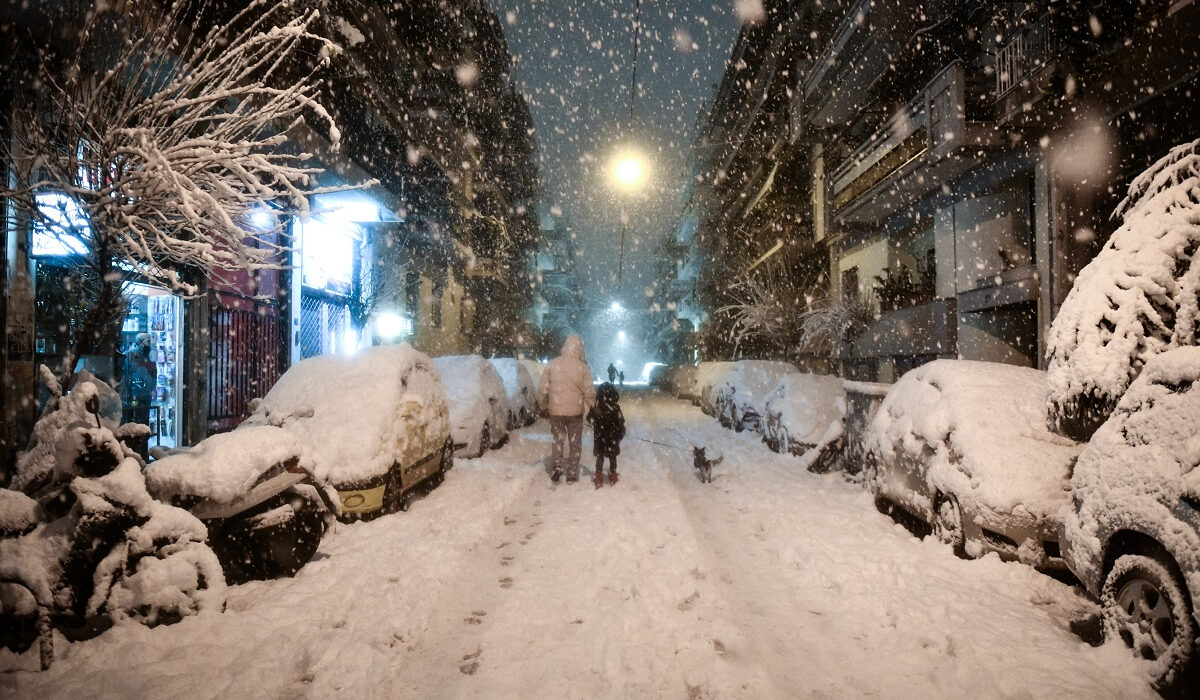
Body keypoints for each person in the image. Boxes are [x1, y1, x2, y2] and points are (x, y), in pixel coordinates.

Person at [539, 335, 596, 483]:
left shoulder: (552, 365)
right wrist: (593, 407)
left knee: (558, 439)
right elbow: (589, 391)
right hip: (575, 412)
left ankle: (558, 466)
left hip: (555, 411)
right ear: (579, 349)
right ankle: (572, 472)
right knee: (574, 442)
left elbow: (542, 389)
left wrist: (543, 406)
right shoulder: (582, 368)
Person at [587, 382, 625, 487]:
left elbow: (589, 419)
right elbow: (621, 423)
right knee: (613, 457)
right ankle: (613, 473)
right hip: (612, 438)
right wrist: (620, 434)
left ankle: (598, 475)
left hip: (600, 438)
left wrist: (594, 421)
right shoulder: (616, 408)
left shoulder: (596, 408)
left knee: (600, 457)